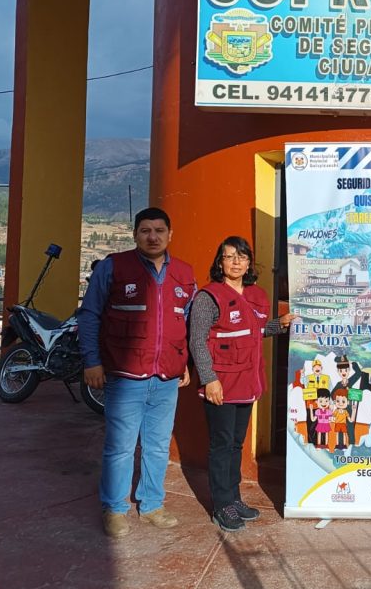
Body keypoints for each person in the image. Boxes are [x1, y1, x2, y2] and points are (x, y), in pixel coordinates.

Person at [79, 207, 196, 539]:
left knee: (158, 446)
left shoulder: (185, 273)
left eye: (159, 230)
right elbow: (89, 315)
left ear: (170, 235)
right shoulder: (113, 268)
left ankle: (152, 504)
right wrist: (91, 361)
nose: (153, 237)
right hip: (125, 376)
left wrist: (184, 362)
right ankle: (114, 508)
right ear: (135, 235)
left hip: (166, 379)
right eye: (145, 230)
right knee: (120, 447)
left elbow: (187, 323)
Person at [189, 236, 296, 533]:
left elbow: (255, 331)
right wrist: (209, 379)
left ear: (249, 262)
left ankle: (233, 498)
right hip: (221, 384)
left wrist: (280, 324)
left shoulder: (256, 295)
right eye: (229, 256)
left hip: (247, 382)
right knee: (221, 445)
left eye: (242, 257)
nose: (236, 262)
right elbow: (197, 341)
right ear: (220, 262)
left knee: (236, 444)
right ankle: (221, 505)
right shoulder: (208, 297)